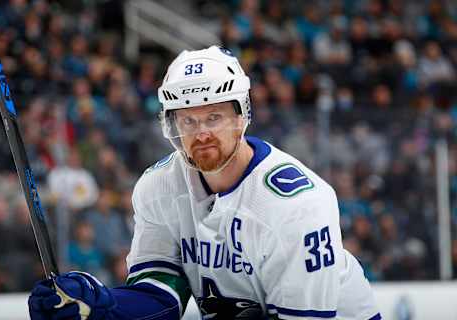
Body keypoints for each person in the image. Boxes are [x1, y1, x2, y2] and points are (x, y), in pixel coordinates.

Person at [28, 46, 381, 320]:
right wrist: (99, 304)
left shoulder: (295, 204)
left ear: (240, 117)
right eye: (188, 121)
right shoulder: (159, 188)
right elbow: (159, 300)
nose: (202, 134)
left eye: (214, 117)